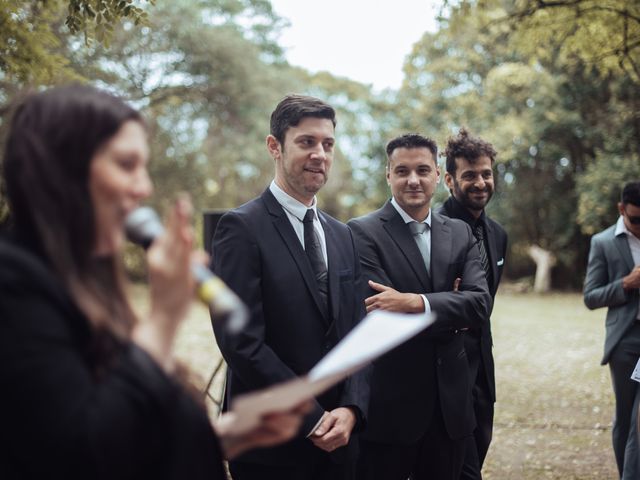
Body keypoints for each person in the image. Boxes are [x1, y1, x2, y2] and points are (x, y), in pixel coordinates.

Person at [0, 85, 308, 480]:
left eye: (144, 167)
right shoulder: (13, 284)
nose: (144, 187)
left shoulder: (88, 281)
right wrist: (163, 318)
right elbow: (78, 453)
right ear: (63, 169)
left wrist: (220, 439)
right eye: (126, 165)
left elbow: (122, 425)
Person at [211, 94, 369, 480]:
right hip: (270, 444)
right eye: (306, 142)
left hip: (340, 439)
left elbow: (356, 333)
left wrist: (351, 408)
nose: (320, 154)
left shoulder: (343, 235)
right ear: (274, 147)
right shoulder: (240, 228)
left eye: (327, 144)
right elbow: (241, 343)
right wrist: (311, 417)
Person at [347, 133, 491, 480]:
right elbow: (379, 311)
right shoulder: (361, 233)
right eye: (403, 171)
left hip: (451, 409)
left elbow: (479, 304)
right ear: (388, 175)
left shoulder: (459, 232)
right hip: (391, 409)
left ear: (438, 176)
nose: (413, 180)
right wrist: (450, 307)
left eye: (423, 170)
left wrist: (414, 301)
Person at [438, 128, 507, 480]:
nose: (480, 182)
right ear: (450, 179)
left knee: (476, 455)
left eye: (486, 173)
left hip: (483, 372)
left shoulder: (498, 234)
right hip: (442, 372)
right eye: (469, 175)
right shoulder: (433, 228)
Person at [584, 180, 640, 480]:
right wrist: (625, 284)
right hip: (626, 341)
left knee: (639, 422)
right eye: (636, 220)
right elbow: (590, 296)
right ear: (621, 209)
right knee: (626, 415)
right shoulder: (603, 242)